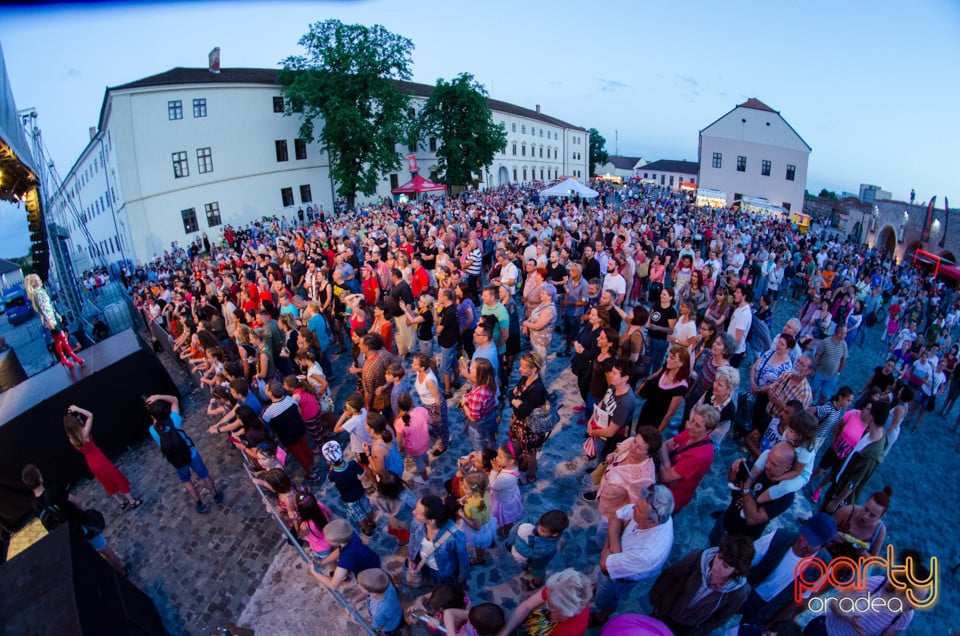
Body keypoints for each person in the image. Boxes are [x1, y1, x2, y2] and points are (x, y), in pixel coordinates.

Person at [590, 485, 675, 625]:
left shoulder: (647, 554)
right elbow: (615, 516)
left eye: (638, 509)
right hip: (619, 562)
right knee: (602, 585)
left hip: (620, 578)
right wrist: (615, 549)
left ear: (653, 522)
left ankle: (601, 617)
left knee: (607, 599)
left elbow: (605, 565)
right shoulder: (652, 512)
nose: (633, 507)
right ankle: (599, 588)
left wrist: (611, 539)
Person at [21, 463, 127, 575]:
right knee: (104, 548)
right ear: (40, 478)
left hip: (69, 535)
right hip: (82, 526)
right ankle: (123, 572)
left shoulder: (34, 506)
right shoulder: (55, 491)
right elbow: (77, 502)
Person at [737, 513, 838, 629]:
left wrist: (772, 624)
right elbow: (744, 560)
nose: (804, 543)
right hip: (744, 591)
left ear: (825, 546)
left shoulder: (823, 567)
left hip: (767, 610)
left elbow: (797, 601)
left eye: (812, 543)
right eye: (805, 535)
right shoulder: (778, 537)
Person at [649, 534, 755, 636]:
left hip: (686, 628)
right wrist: (656, 600)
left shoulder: (739, 593)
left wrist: (696, 633)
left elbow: (720, 618)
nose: (717, 566)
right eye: (719, 558)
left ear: (737, 571)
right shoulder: (697, 558)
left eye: (725, 566)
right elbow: (670, 575)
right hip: (666, 610)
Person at [146, 393, 223, 514]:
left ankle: (200, 504)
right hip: (190, 453)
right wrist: (157, 397)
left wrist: (152, 410)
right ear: (166, 410)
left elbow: (155, 421)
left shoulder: (152, 430)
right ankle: (216, 496)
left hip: (177, 460)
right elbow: (174, 400)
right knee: (204, 476)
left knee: (186, 481)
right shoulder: (174, 419)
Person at [709, 441, 797, 544]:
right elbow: (732, 479)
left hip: (740, 540)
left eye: (774, 464)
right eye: (768, 459)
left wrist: (746, 489)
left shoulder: (785, 494)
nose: (768, 465)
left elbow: (753, 519)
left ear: (787, 467)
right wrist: (735, 467)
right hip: (726, 521)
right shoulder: (760, 467)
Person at [63, 405, 143, 510]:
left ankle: (120, 502)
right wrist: (77, 409)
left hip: (91, 463)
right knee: (115, 477)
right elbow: (90, 415)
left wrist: (75, 417)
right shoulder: (84, 433)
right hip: (99, 459)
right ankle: (132, 501)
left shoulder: (72, 438)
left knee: (106, 481)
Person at [658, 404, 721, 513]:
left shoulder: (700, 456)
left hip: (671, 497)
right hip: (665, 485)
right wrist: (668, 466)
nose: (690, 426)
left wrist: (663, 462)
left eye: (697, 425)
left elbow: (665, 477)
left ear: (708, 431)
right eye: (692, 421)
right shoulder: (692, 433)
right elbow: (663, 445)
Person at [498, 568, 592, 636]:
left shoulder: (568, 632)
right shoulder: (557, 588)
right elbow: (526, 606)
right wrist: (503, 633)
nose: (546, 605)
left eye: (551, 605)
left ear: (565, 611)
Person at [408, 494, 471, 588]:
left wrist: (463, 575)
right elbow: (413, 537)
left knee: (444, 588)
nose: (413, 512)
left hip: (443, 571)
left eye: (417, 512)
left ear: (431, 521)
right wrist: (411, 555)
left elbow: (463, 558)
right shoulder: (418, 522)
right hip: (425, 564)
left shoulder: (454, 537)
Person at [25, 273, 85, 368]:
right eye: (36, 280)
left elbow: (49, 305)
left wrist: (56, 313)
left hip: (52, 316)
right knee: (62, 338)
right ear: (33, 283)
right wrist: (49, 320)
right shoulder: (38, 294)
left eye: (38, 279)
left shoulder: (41, 291)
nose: (39, 281)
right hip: (50, 319)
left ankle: (64, 359)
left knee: (58, 340)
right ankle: (74, 357)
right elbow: (42, 308)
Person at [508, 352, 550, 484]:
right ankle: (524, 464)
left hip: (529, 428)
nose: (519, 369)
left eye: (523, 367)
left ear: (534, 370)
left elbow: (522, 412)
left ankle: (531, 476)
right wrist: (515, 401)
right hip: (519, 424)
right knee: (521, 449)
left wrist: (515, 401)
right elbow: (511, 393)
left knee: (530, 453)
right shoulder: (525, 378)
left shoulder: (536, 389)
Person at [310, 518, 381, 591]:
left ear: (337, 543)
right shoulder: (349, 534)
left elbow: (332, 586)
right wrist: (322, 563)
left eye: (328, 539)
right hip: (372, 559)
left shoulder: (346, 558)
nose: (325, 539)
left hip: (367, 573)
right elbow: (339, 551)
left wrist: (315, 573)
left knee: (370, 587)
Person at [509, 509, 570, 590]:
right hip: (534, 558)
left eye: (543, 531)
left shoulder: (546, 547)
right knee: (531, 564)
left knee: (537, 573)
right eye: (540, 525)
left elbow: (533, 553)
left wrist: (520, 547)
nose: (538, 529)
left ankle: (537, 582)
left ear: (554, 534)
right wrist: (525, 524)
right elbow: (532, 520)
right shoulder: (546, 525)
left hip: (539, 562)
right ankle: (531, 567)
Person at [635, 345, 691, 432]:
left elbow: (669, 414)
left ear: (681, 363)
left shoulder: (681, 387)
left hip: (657, 418)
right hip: (648, 407)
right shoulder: (666, 367)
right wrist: (645, 383)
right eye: (669, 356)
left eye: (672, 358)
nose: (668, 359)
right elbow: (656, 374)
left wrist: (658, 432)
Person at [828, 485, 892, 560]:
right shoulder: (848, 512)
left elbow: (874, 560)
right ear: (864, 503)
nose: (866, 516)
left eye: (872, 515)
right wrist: (833, 535)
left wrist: (864, 554)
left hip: (850, 568)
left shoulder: (880, 531)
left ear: (880, 517)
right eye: (866, 509)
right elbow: (823, 528)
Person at [357, 568, 405, 636]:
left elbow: (378, 627)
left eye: (361, 586)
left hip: (389, 627)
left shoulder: (377, 612)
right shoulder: (386, 584)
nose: (358, 585)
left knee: (384, 633)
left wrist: (357, 620)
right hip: (398, 613)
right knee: (403, 626)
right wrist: (353, 602)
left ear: (373, 593)